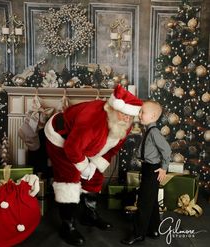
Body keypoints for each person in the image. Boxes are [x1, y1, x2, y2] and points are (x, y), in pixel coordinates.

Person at [44, 84, 143, 246]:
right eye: (123, 114)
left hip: (87, 144)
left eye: (130, 116)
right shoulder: (92, 121)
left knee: (96, 176)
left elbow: (112, 149)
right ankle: (67, 226)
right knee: (69, 178)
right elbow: (72, 148)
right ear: (112, 109)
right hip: (61, 138)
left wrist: (94, 166)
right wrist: (84, 167)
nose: (127, 119)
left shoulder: (126, 122)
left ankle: (89, 215)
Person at [121, 100, 172, 245]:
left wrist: (164, 167)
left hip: (152, 169)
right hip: (147, 168)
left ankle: (138, 233)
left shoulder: (154, 132)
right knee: (152, 200)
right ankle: (153, 229)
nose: (140, 114)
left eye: (143, 112)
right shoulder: (148, 130)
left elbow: (166, 150)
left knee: (144, 202)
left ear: (153, 116)